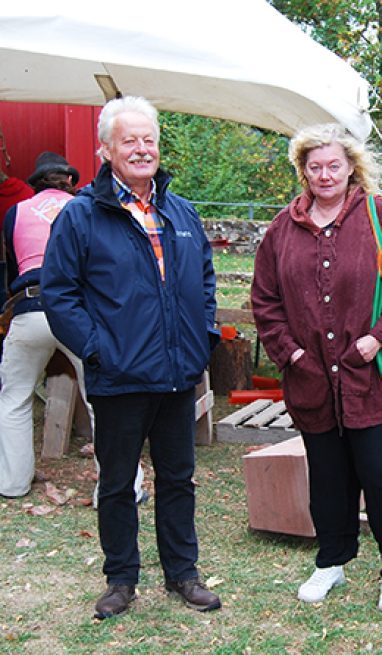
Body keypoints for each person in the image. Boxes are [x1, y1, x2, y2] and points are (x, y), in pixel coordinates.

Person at [41, 96, 221, 620]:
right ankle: (120, 580)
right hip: (117, 376)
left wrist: (201, 338)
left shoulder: (180, 212)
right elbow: (60, 294)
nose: (142, 149)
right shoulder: (81, 215)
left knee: (178, 479)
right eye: (130, 140)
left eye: (149, 140)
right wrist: (98, 349)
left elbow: (204, 281)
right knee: (117, 483)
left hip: (175, 373)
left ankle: (183, 574)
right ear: (106, 149)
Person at [251, 123, 382, 614]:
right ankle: (332, 559)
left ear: (351, 166)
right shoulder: (283, 228)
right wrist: (291, 354)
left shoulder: (378, 215)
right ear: (302, 171)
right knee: (327, 475)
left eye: (333, 165)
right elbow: (265, 300)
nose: (324, 175)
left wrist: (378, 338)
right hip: (311, 381)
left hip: (367, 376)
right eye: (314, 167)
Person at [0, 153, 83, 497]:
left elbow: (12, 268)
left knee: (14, 398)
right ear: (69, 182)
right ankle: (119, 485)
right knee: (104, 399)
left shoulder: (15, 212)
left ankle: (13, 483)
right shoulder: (82, 210)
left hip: (29, 305)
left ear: (35, 185)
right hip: (76, 310)